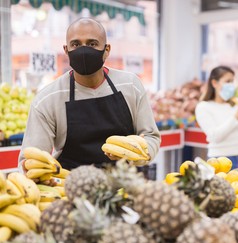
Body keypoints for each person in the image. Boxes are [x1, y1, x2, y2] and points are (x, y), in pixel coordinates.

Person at [18, 18, 161, 171]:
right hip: (71, 188)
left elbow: (150, 136)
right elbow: (30, 161)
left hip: (126, 185)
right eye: (76, 44)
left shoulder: (131, 85)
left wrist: (139, 155)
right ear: (66, 50)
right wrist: (36, 176)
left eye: (92, 44)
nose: (84, 51)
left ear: (106, 50)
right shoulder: (47, 100)